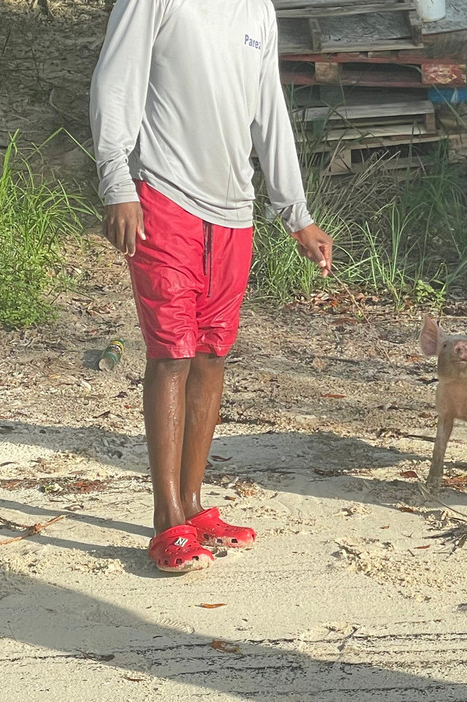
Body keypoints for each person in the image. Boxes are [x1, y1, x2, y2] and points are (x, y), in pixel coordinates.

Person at [90, 0, 332, 573]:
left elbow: (269, 110)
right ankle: (166, 519)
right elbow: (115, 80)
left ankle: (195, 504)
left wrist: (297, 213)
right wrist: (115, 180)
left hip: (234, 212)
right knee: (171, 353)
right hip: (163, 197)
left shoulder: (257, 11)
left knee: (211, 354)